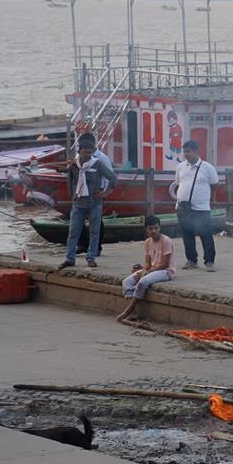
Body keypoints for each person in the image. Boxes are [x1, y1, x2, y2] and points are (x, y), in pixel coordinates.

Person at [58, 134, 117, 270]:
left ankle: (91, 257)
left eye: (90, 153)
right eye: (85, 153)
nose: (88, 156)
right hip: (78, 203)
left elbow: (113, 178)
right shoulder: (74, 165)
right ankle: (69, 258)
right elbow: (70, 181)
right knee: (73, 231)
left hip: (94, 203)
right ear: (79, 151)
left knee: (94, 231)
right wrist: (73, 195)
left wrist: (105, 193)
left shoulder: (97, 163)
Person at [116, 216, 175, 324]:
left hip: (166, 271)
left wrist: (148, 272)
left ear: (159, 228)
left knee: (142, 282)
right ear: (146, 229)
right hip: (151, 269)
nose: (154, 231)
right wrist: (144, 271)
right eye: (151, 229)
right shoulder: (148, 242)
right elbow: (147, 263)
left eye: (156, 228)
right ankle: (133, 313)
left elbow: (164, 264)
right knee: (127, 281)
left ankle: (127, 311)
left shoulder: (166, 240)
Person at [173, 140, 220, 271]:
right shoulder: (180, 167)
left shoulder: (207, 167)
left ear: (196, 151)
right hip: (183, 207)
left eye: (188, 151)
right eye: (185, 151)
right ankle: (191, 260)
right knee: (187, 234)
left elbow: (215, 184)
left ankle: (209, 261)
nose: (186, 154)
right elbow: (178, 183)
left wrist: (209, 198)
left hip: (201, 208)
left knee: (205, 234)